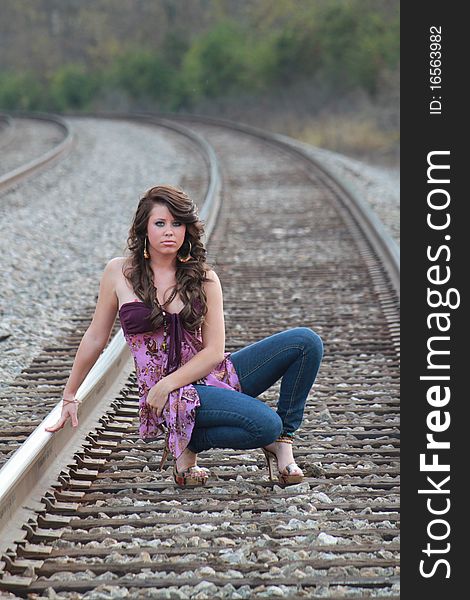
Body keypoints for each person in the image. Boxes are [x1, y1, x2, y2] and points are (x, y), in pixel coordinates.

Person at [46, 184, 323, 487]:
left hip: (209, 374)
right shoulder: (118, 273)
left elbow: (215, 352)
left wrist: (167, 383)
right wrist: (70, 395)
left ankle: (284, 440)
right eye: (160, 223)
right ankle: (189, 441)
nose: (169, 231)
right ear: (144, 229)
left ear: (187, 229)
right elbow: (95, 338)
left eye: (177, 223)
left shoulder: (203, 277)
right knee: (264, 425)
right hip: (172, 397)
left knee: (305, 342)